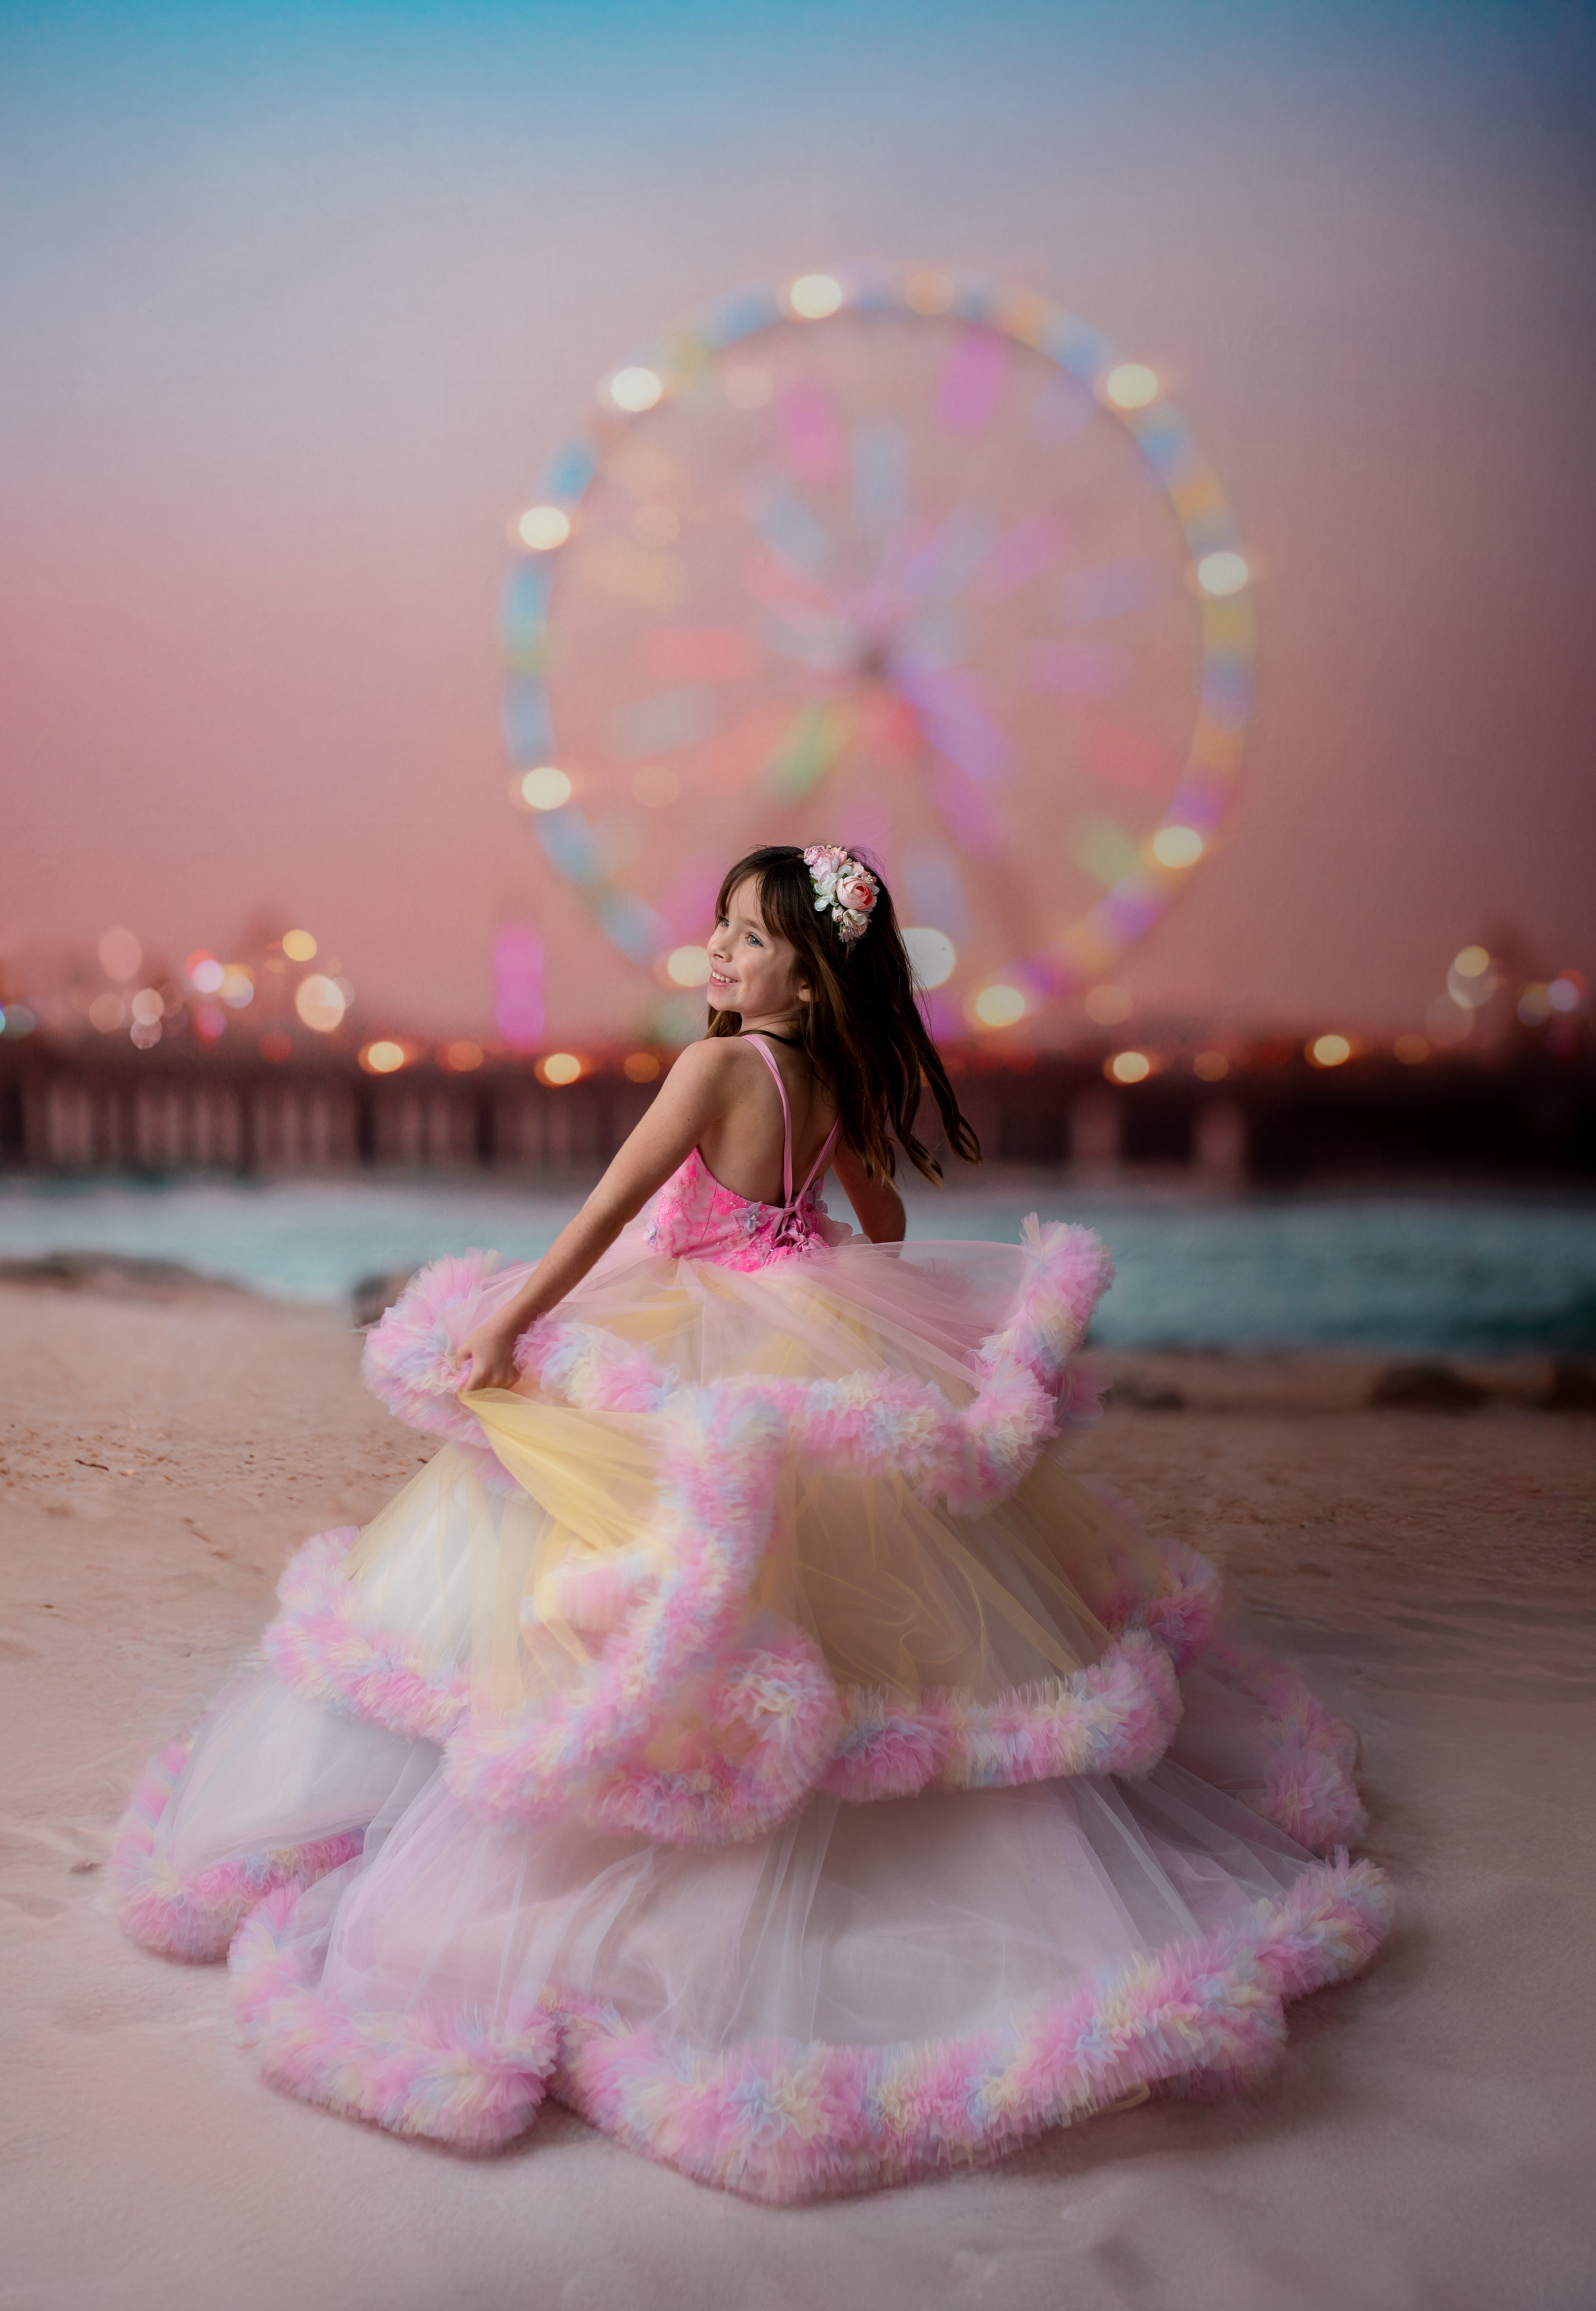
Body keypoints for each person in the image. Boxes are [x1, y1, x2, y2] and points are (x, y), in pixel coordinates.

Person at [110, 842, 1390, 2202]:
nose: (716, 952)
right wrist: (825, 1215)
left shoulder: (718, 1067)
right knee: (827, 1570)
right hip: (804, 1313)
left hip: (696, 1320)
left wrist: (504, 1320)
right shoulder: (827, 1077)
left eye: (747, 936)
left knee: (593, 1548)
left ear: (808, 961)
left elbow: (611, 1208)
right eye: (717, 928)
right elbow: (876, 1220)